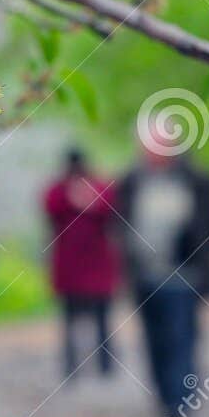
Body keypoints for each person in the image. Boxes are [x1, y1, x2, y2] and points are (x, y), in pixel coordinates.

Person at [113, 134, 209, 417]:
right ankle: (165, 401)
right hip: (145, 279)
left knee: (182, 341)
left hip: (184, 278)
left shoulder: (198, 181)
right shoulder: (131, 181)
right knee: (155, 342)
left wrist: (203, 262)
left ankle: (181, 405)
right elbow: (119, 224)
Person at [42, 147, 119, 379]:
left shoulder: (99, 189)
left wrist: (90, 199)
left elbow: (112, 209)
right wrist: (72, 197)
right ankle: (71, 367)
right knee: (70, 322)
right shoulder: (58, 191)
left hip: (97, 268)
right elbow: (50, 206)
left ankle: (105, 367)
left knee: (102, 321)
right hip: (70, 269)